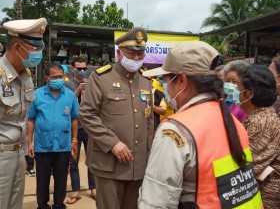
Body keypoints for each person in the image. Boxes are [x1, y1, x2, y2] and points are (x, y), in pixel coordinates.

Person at [138, 41, 263, 208]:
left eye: (166, 80)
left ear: (181, 80)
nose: (165, 86)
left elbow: (155, 203)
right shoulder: (231, 120)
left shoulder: (175, 131)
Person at [79, 27, 154, 209]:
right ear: (119, 53)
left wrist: (151, 155)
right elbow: (87, 114)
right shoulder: (101, 78)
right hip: (109, 164)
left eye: (140, 53)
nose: (136, 58)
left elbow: (148, 120)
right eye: (131, 53)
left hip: (138, 164)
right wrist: (112, 143)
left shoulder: (145, 81)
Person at [0, 18, 47, 209]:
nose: (38, 54)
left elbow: (23, 117)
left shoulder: (25, 76)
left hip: (19, 155)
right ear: (18, 47)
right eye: (34, 49)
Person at [27, 62, 79, 209]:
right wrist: (29, 142)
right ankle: (42, 206)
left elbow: (75, 118)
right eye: (54, 77)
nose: (58, 79)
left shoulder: (70, 95)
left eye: (60, 76)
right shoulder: (37, 95)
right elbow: (31, 119)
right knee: (42, 180)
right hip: (42, 145)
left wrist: (74, 140)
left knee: (61, 179)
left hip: (63, 145)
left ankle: (58, 205)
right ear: (46, 77)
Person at [237, 64, 280, 209]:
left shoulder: (259, 123)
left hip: (265, 196)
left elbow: (246, 165)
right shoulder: (264, 115)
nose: (236, 94)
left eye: (238, 89)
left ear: (250, 94)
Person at [64, 57, 96, 204]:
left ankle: (93, 188)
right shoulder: (66, 85)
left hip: (89, 127)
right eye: (79, 68)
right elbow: (65, 106)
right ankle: (76, 190)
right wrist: (77, 91)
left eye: (84, 68)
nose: (82, 71)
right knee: (73, 161)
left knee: (92, 160)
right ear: (72, 69)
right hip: (74, 128)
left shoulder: (92, 83)